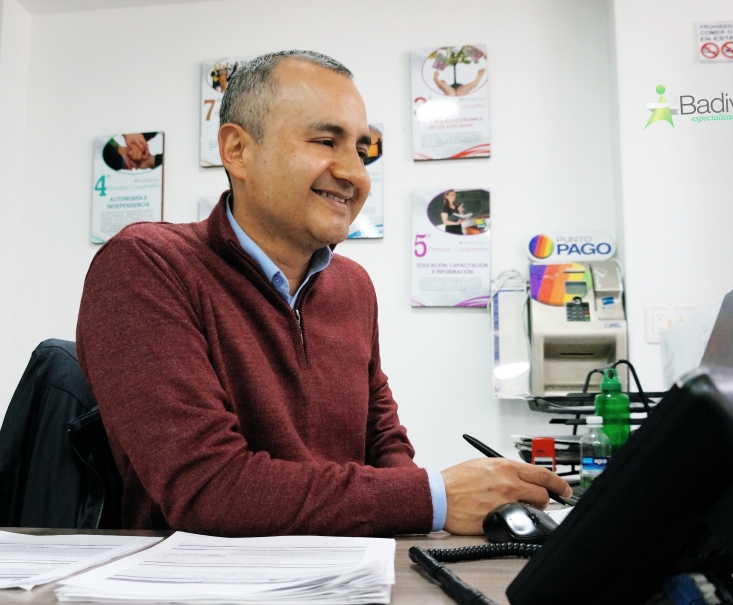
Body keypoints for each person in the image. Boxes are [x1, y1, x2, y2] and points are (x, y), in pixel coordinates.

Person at [76, 50, 571, 538]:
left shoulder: (353, 286)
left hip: (350, 570)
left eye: (361, 151)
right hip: (207, 576)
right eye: (326, 141)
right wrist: (435, 498)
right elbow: (207, 489)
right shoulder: (146, 265)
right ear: (237, 150)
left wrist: (439, 511)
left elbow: (385, 445)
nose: (355, 174)